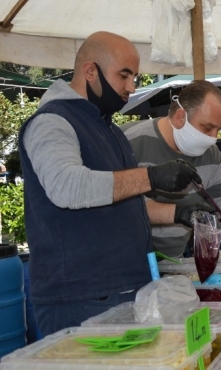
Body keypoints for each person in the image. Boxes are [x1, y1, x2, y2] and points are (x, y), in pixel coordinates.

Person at [18, 31, 204, 336]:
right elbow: (68, 186)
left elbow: (118, 198)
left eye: (135, 77)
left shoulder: (110, 131)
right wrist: (151, 176)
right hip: (80, 297)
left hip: (125, 290)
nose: (131, 87)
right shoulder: (51, 122)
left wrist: (177, 213)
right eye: (124, 75)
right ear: (90, 71)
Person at [122, 81, 221, 269]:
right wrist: (176, 213)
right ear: (180, 117)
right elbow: (116, 201)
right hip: (123, 263)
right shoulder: (129, 141)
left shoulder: (212, 155)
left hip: (171, 263)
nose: (213, 137)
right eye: (207, 128)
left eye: (218, 129)